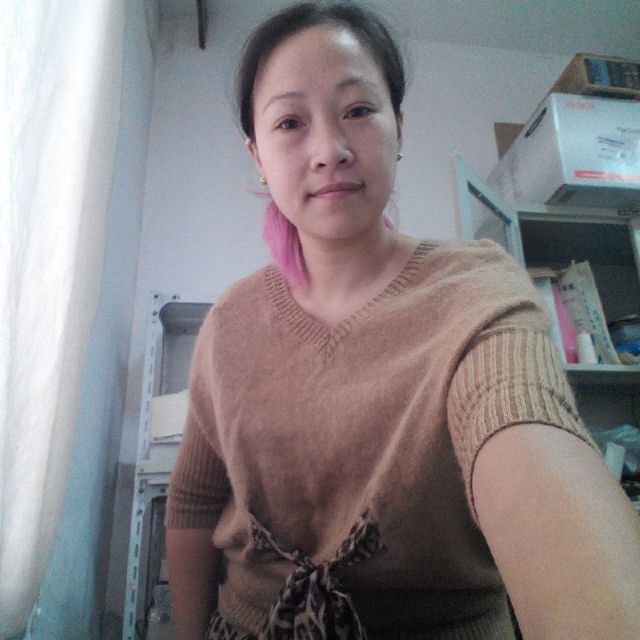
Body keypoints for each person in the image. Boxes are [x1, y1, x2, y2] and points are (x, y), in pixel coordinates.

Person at [165, 2, 640, 639]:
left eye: (358, 110)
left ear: (399, 127)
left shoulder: (476, 292)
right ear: (257, 154)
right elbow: (193, 504)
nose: (330, 150)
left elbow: (523, 427)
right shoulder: (230, 323)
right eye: (290, 123)